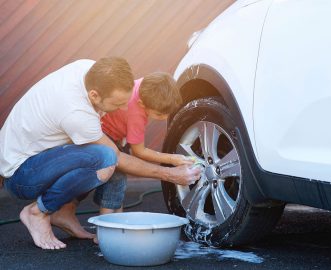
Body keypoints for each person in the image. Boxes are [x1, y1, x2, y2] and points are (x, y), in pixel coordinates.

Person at [0, 57, 201, 250]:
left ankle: (64, 212)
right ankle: (38, 212)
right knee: (105, 159)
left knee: (102, 157)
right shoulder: (77, 113)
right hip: (22, 176)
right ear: (94, 95)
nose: (123, 108)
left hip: (30, 157)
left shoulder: (88, 69)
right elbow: (117, 157)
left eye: (126, 101)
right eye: (117, 104)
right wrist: (169, 174)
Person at [94, 72, 194, 215]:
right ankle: (105, 227)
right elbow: (139, 151)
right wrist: (172, 158)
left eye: (168, 113)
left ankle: (118, 221)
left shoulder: (145, 86)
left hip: (108, 131)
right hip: (105, 136)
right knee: (116, 179)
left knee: (117, 182)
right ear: (142, 104)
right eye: (159, 114)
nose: (164, 118)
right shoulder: (136, 114)